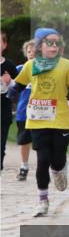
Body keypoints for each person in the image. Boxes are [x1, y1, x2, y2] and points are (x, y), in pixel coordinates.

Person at [8, 28, 69, 216]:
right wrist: (12, 91)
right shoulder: (31, 65)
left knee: (57, 160)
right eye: (49, 43)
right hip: (37, 120)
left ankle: (58, 170)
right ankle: (42, 200)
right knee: (42, 161)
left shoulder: (66, 65)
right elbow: (19, 84)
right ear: (40, 46)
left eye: (57, 43)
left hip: (60, 120)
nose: (54, 46)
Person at [14, 40, 36, 181]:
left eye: (35, 52)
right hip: (23, 112)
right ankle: (24, 166)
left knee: (42, 142)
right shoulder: (19, 69)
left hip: (41, 113)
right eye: (29, 51)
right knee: (24, 141)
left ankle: (44, 167)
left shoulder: (45, 71)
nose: (31, 54)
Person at [1, 32, 18, 170]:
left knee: (0, 146)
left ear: (4, 45)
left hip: (3, 110)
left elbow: (19, 87)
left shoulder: (10, 65)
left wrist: (10, 81)